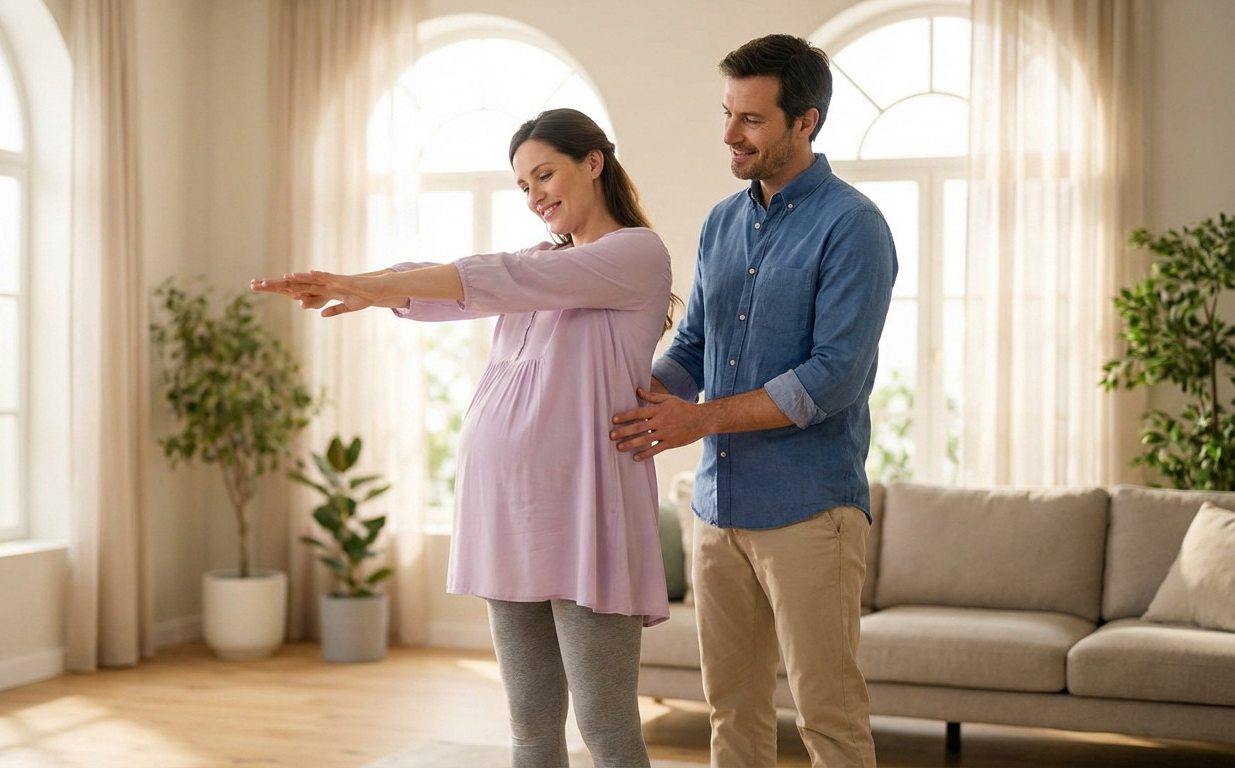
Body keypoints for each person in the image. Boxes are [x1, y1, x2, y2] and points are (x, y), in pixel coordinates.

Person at [253, 108, 676, 768]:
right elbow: (462, 288)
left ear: (593, 162)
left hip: (587, 509)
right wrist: (367, 289)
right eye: (522, 185)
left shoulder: (634, 255)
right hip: (506, 511)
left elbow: (495, 277)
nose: (535, 196)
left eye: (545, 174)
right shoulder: (542, 260)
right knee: (530, 722)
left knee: (605, 723)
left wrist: (368, 285)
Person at [609, 34, 897, 768]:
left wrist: (696, 420)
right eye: (727, 114)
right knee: (731, 714)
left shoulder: (852, 226)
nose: (730, 135)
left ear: (806, 123)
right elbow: (695, 346)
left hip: (810, 511)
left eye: (752, 120)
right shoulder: (722, 223)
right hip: (716, 508)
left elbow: (833, 376)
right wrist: (630, 395)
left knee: (828, 719)